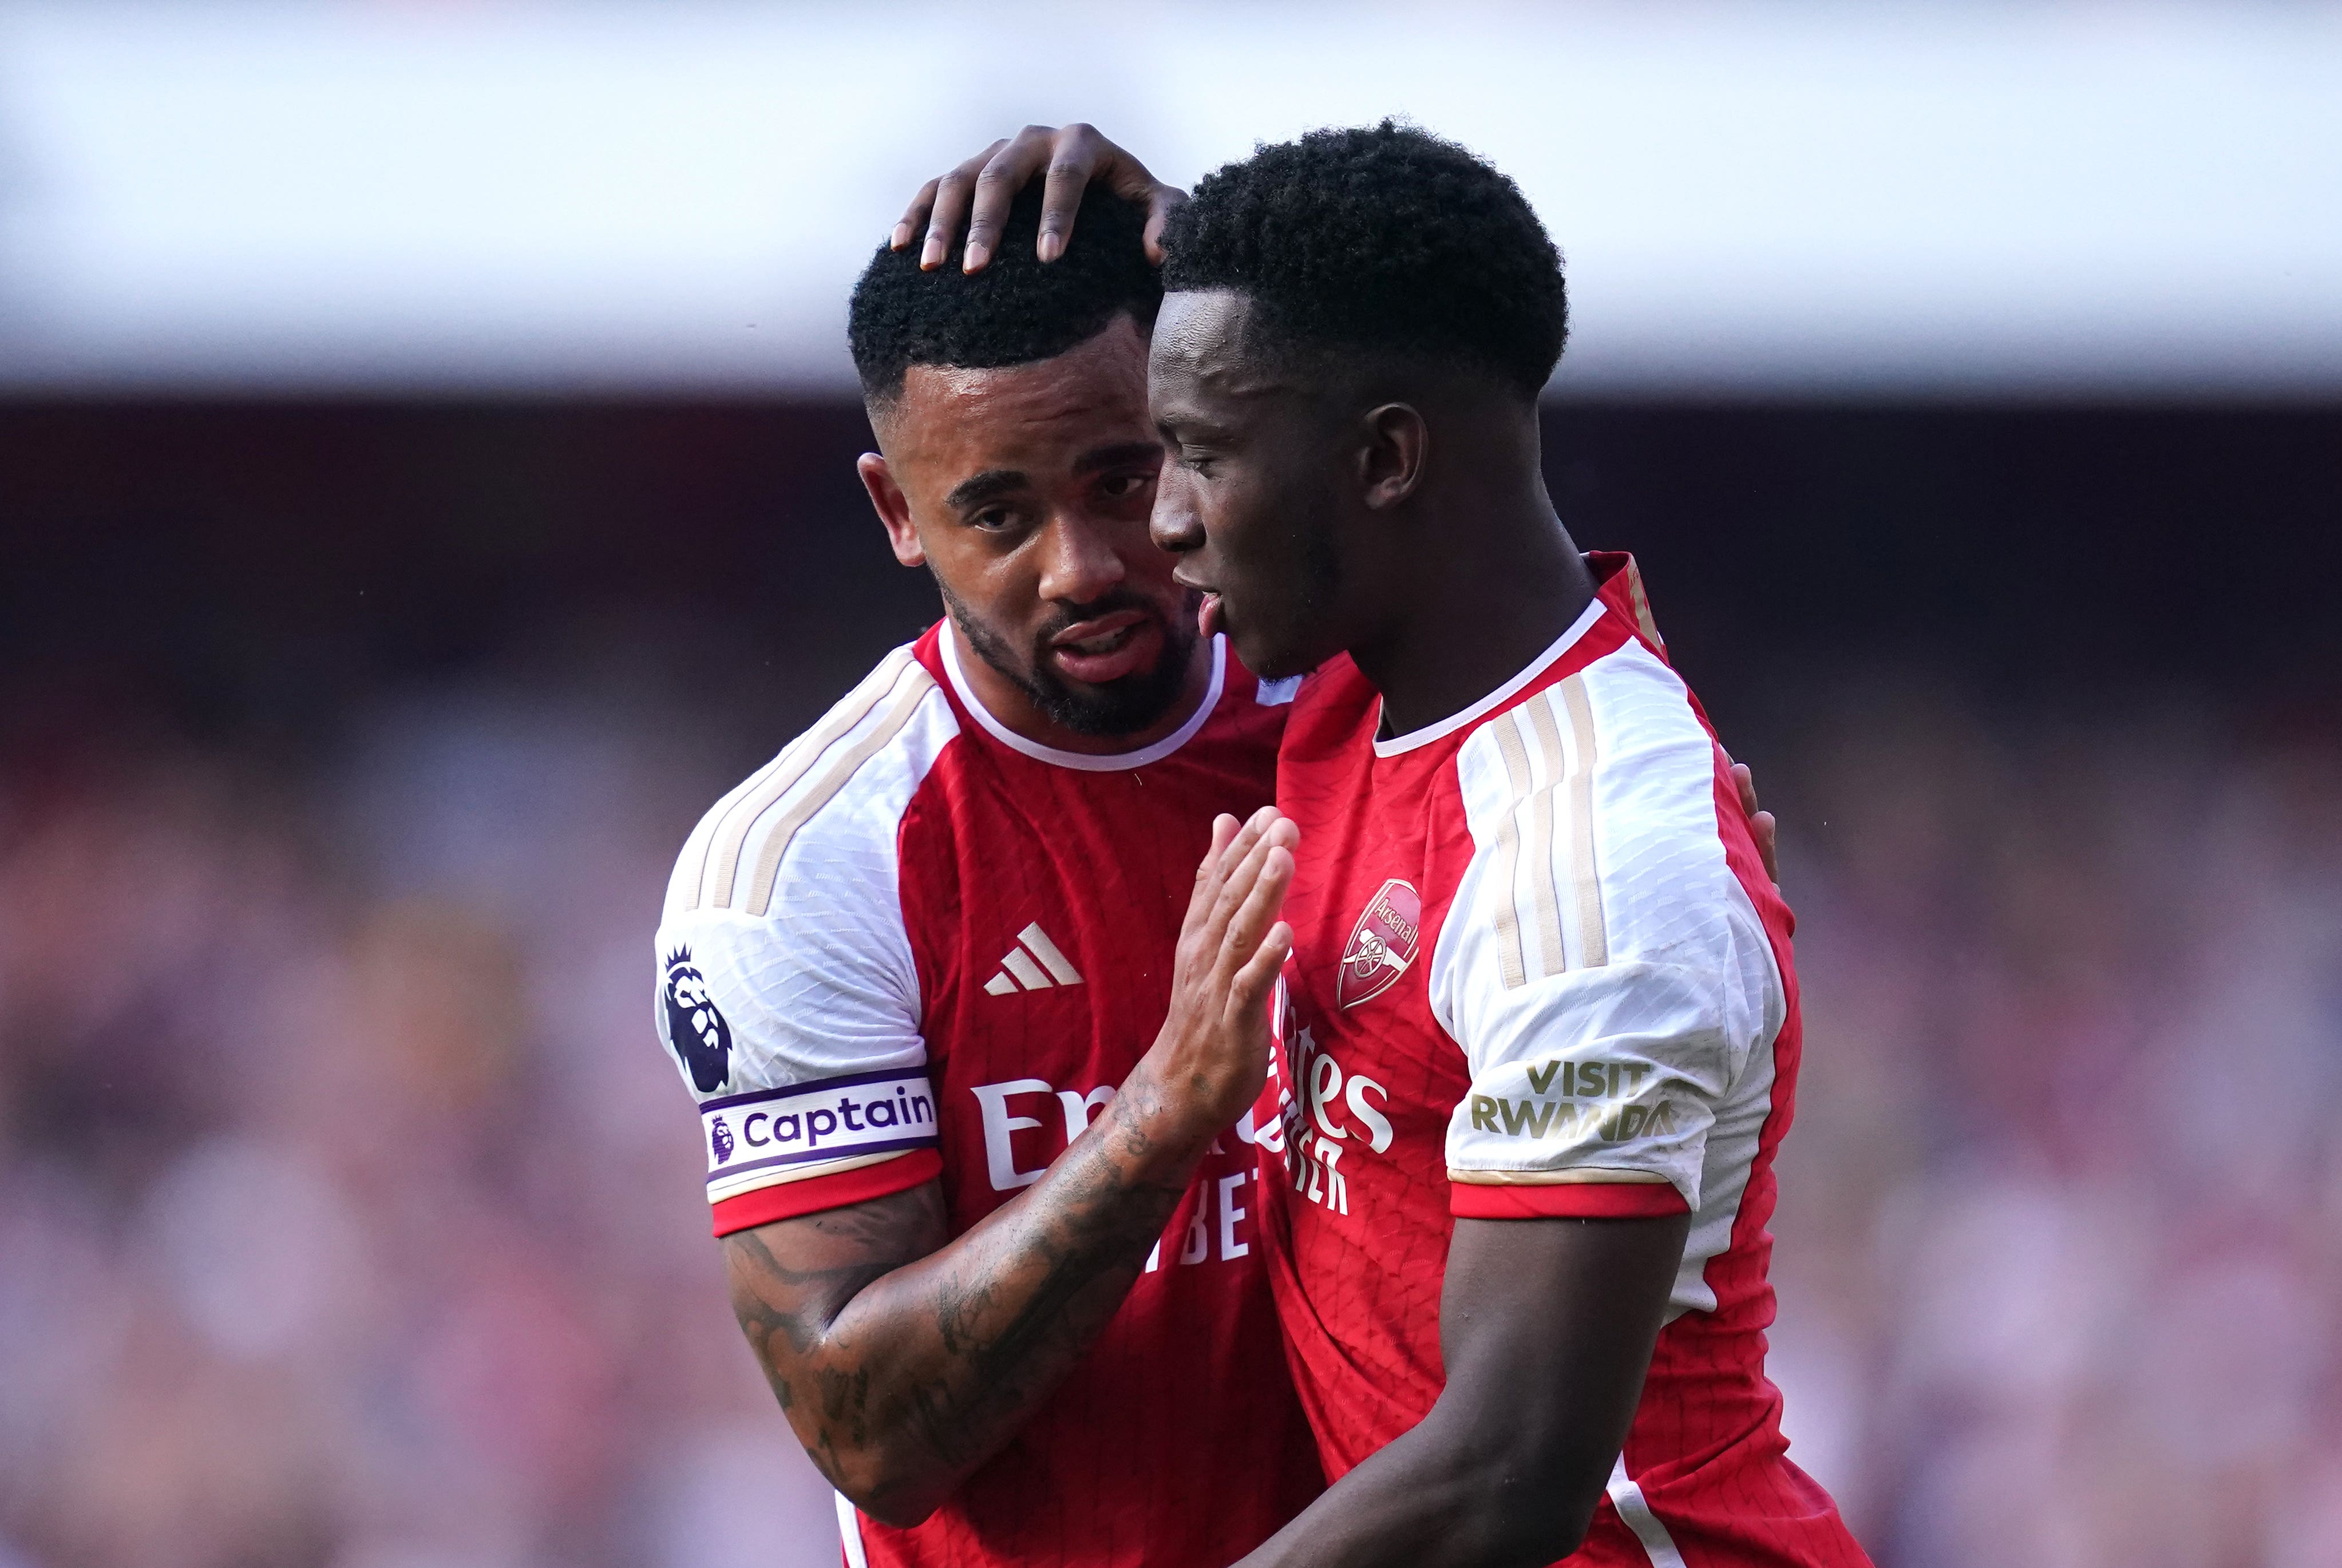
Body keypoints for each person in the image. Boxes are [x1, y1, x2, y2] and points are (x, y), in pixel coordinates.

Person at [907, 124, 1862, 1566]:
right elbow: (1349, 355)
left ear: (1388, 459)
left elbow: (1509, 1465)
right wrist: (1175, 239)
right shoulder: (1365, 689)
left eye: (1200, 457)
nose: (1166, 526)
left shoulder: (1584, 857)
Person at [652, 183, 1322, 1568]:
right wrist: (1169, 1109)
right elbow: (872, 1435)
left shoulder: (1359, 709)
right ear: (897, 511)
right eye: (998, 515)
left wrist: (1210, 240)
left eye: (1123, 481)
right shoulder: (804, 863)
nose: (1080, 567)